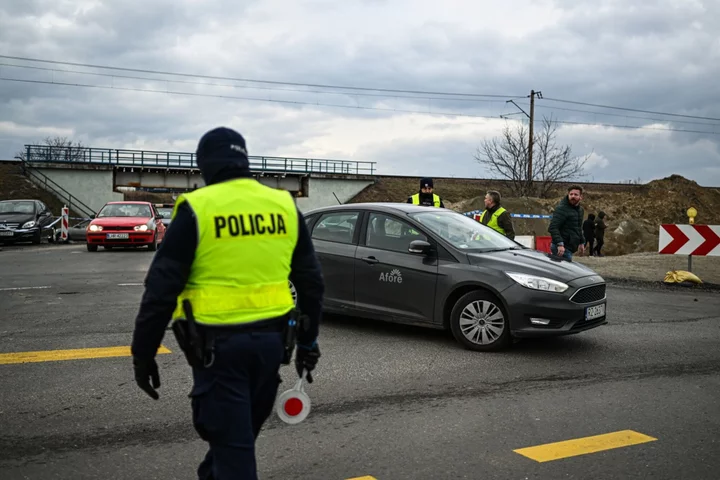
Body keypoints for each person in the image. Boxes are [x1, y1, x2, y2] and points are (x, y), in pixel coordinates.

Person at [130, 126, 325, 480]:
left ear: (205, 165)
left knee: (234, 454)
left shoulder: (198, 208)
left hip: (217, 353)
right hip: (271, 348)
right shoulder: (283, 206)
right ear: (244, 160)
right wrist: (309, 344)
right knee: (235, 444)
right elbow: (312, 283)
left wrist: (143, 353)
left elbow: (160, 290)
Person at [547, 185, 586, 261]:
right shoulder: (561, 209)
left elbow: (578, 227)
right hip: (561, 247)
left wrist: (582, 242)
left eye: (576, 194)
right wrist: (560, 244)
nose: (573, 196)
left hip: (569, 247)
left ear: (581, 197)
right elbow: (553, 227)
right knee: (563, 272)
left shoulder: (580, 210)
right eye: (571, 194)